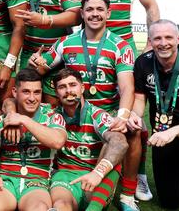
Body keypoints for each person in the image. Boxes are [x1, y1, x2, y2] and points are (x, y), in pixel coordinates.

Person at [29, 0, 141, 211]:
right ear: (81, 13)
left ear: (108, 13)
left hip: (107, 113)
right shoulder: (66, 42)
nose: (95, 14)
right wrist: (35, 63)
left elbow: (127, 87)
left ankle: (127, 195)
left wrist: (122, 116)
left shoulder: (120, 46)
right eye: (89, 9)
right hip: (73, 107)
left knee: (134, 129)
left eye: (100, 9)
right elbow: (41, 69)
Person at [72, 0, 160, 200]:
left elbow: (151, 6)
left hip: (124, 50)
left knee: (136, 118)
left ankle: (138, 177)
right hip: (90, 47)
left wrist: (148, 47)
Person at [133, 19, 179, 211]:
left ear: (178, 39)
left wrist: (172, 132)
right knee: (170, 202)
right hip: (162, 133)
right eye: (157, 38)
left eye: (168, 37)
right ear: (150, 41)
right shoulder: (143, 63)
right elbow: (140, 99)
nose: (163, 43)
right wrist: (135, 116)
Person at [0, 68, 67, 211]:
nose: (32, 98)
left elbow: (57, 141)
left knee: (39, 207)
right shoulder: (1, 121)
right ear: (14, 92)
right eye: (26, 92)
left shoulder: (52, 117)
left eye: (37, 92)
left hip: (37, 183)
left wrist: (23, 119)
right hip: (5, 180)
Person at [50, 67, 128, 211]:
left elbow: (120, 143)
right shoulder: (51, 114)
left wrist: (97, 174)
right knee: (61, 204)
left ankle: (94, 208)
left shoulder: (96, 115)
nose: (68, 91)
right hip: (65, 177)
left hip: (95, 182)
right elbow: (10, 101)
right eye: (62, 87)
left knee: (112, 150)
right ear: (56, 93)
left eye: (73, 85)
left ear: (82, 88)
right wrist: (10, 109)